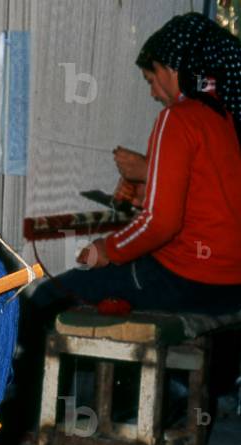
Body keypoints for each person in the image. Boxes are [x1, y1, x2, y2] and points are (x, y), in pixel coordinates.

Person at [28, 12, 241, 319]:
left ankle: (12, 350)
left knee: (50, 296)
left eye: (151, 80)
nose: (153, 93)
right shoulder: (224, 117)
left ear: (173, 67)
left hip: (188, 279)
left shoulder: (178, 117)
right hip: (230, 285)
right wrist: (149, 181)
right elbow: (209, 197)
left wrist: (107, 249)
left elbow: (161, 224)